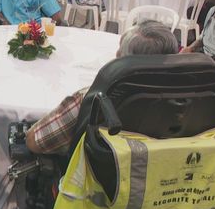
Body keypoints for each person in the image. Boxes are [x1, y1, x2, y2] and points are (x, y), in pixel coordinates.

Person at [26, 20, 178, 155]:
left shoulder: (97, 98)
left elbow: (36, 142)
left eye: (119, 53)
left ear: (124, 62)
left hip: (99, 181)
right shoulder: (187, 98)